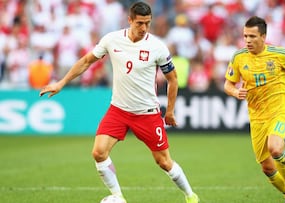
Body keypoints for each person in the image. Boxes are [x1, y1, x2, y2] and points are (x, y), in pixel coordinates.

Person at [39, 2, 199, 203]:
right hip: (119, 110)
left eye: (147, 24)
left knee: (164, 162)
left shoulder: (157, 47)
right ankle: (118, 197)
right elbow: (87, 61)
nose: (144, 28)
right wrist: (61, 83)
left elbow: (173, 79)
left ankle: (191, 196)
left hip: (147, 113)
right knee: (98, 152)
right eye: (140, 23)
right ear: (129, 20)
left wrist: (170, 111)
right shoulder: (112, 39)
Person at [224, 16, 285, 203]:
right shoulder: (239, 57)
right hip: (257, 118)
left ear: (263, 36)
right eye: (245, 36)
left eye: (252, 36)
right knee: (267, 168)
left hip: (281, 110)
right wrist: (235, 92)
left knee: (275, 148)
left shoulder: (280, 54)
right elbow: (227, 84)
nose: (247, 40)